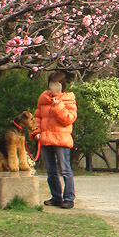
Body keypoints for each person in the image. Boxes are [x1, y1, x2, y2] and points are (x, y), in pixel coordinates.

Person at [34, 72, 78, 209]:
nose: (53, 88)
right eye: (51, 84)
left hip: (61, 140)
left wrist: (58, 106)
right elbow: (38, 117)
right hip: (46, 138)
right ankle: (56, 197)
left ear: (62, 86)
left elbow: (68, 120)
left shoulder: (68, 100)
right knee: (51, 170)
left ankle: (69, 198)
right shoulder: (44, 98)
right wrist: (36, 132)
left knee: (65, 170)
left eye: (57, 85)